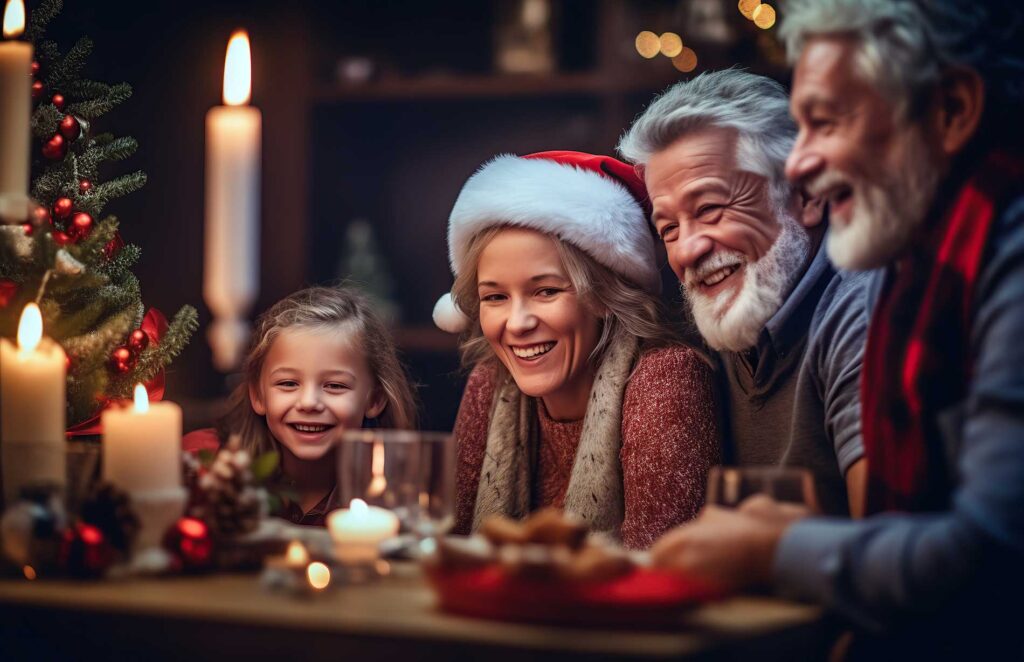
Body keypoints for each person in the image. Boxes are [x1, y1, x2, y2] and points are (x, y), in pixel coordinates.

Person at [651, 0, 1024, 655]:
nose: (800, 165)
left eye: (825, 122)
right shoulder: (922, 264)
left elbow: (992, 558)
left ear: (953, 111)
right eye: (668, 226)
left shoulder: (996, 256)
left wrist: (772, 548)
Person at [434, 151, 719, 550]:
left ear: (603, 296)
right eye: (495, 296)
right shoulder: (489, 381)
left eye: (546, 291)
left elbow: (659, 569)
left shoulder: (667, 378)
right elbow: (454, 546)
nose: (517, 323)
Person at [618, 69, 869, 517]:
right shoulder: (726, 319)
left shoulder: (864, 316)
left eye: (711, 209)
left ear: (808, 196)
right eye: (669, 228)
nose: (688, 250)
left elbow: (888, 559)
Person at [183, 285, 417, 526]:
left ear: (375, 400)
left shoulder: (398, 499)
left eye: (335, 386)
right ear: (258, 395)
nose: (309, 403)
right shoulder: (203, 465)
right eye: (288, 383)